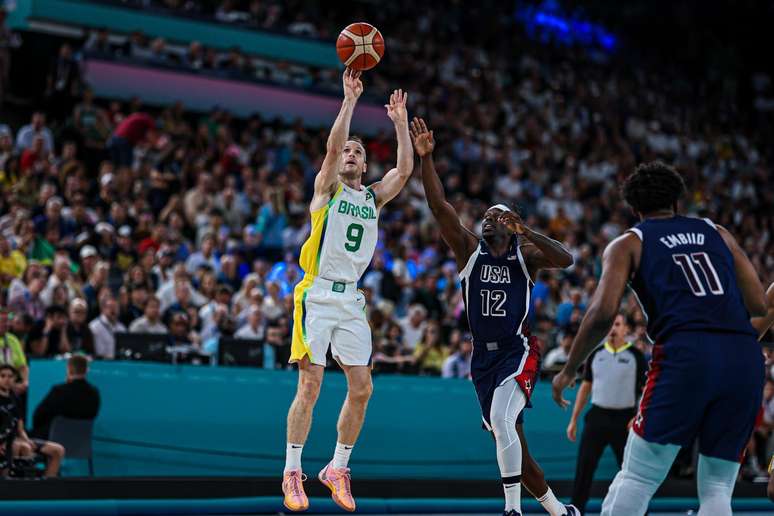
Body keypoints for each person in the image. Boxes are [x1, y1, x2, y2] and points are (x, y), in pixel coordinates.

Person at [552, 161, 769, 516]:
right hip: (744, 356)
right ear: (677, 202)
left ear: (634, 209)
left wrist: (569, 368)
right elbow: (758, 302)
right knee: (717, 488)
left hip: (687, 353)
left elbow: (602, 313)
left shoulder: (628, 243)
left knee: (637, 477)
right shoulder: (718, 232)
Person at [411, 117, 578, 516]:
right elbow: (438, 205)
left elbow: (567, 259)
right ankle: (559, 512)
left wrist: (529, 231)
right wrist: (427, 159)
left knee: (504, 424)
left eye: (496, 216)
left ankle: (511, 511)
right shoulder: (469, 249)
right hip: (481, 359)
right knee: (512, 443)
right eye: (485, 216)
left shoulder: (527, 254)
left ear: (511, 224)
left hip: (518, 350)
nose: (487, 219)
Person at [282, 69, 413, 512]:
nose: (351, 154)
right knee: (311, 383)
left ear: (365, 163)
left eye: (359, 151)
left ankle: (337, 467)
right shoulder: (327, 190)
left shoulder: (373, 197)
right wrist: (350, 100)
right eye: (347, 151)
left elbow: (405, 170)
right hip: (316, 294)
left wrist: (399, 122)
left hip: (351, 299)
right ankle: (292, 471)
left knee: (362, 389)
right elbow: (333, 146)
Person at [566, 313, 647, 513]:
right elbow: (585, 388)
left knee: (631, 473)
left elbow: (646, 390)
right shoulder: (596, 354)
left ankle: (641, 512)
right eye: (610, 324)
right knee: (584, 469)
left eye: (617, 324)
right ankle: (576, 510)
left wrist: (638, 416)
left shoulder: (636, 356)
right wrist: (574, 419)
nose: (613, 328)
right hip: (597, 418)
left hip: (625, 420)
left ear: (626, 329)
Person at [0, 364, 65, 477]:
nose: (7, 379)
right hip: (5, 441)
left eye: (10, 376)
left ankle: (46, 488)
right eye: (3, 376)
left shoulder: (15, 398)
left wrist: (26, 440)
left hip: (17, 439)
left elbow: (20, 429)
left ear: (15, 379)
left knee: (58, 450)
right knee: (23, 448)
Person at [32, 355, 100, 439]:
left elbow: (38, 415)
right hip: (81, 440)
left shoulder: (59, 391)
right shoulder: (94, 393)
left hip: (56, 438)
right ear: (86, 370)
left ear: (69, 369)